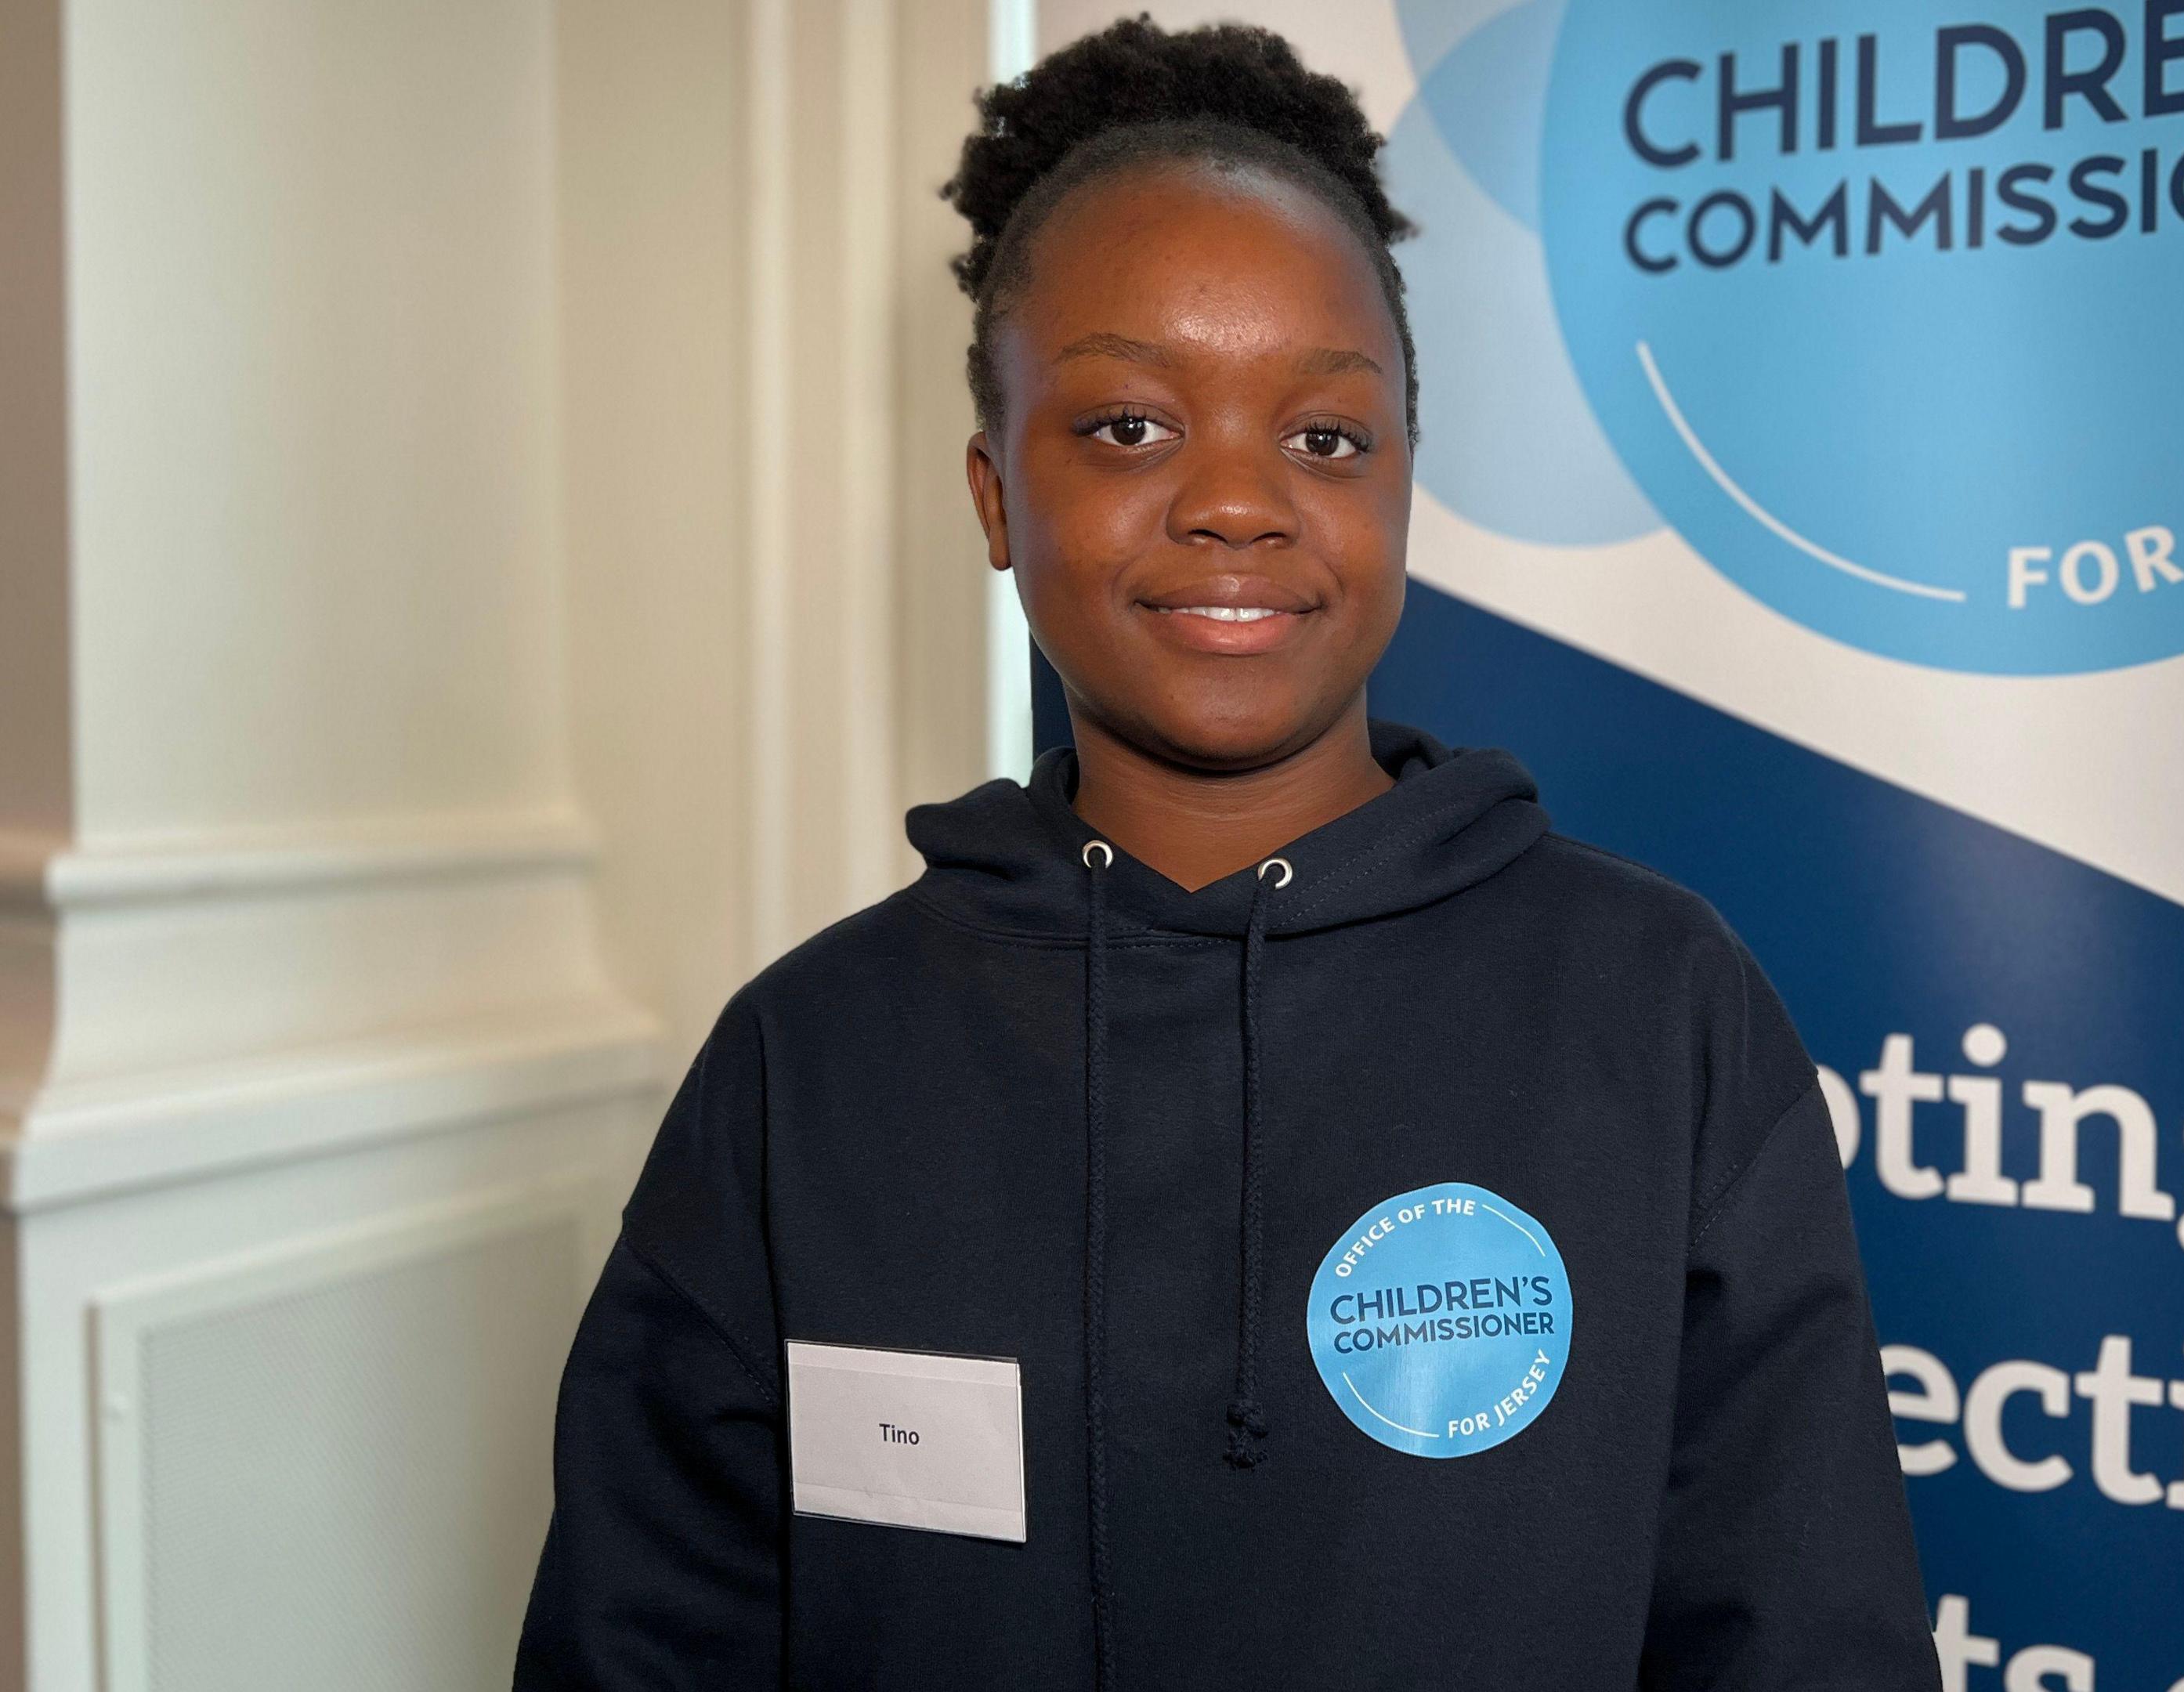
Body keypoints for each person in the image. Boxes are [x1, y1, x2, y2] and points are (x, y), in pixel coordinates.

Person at [512, 17, 1936, 1690]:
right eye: (1129, 429)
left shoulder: (1656, 1005)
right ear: (993, 493)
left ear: (1406, 478)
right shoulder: (805, 1062)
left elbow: (1797, 1634)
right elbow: (645, 1644)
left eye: (1325, 437)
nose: (1238, 504)